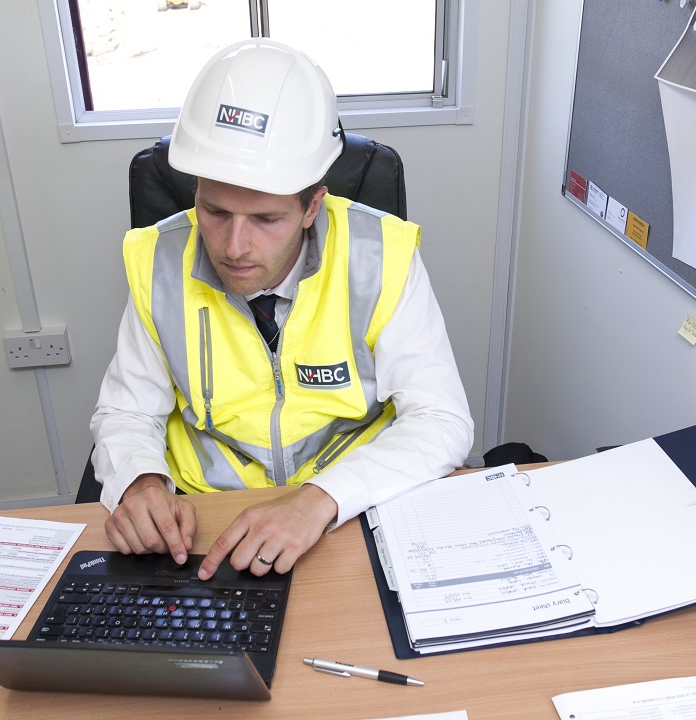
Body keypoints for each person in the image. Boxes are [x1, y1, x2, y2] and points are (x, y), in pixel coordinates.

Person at [89, 38, 473, 581]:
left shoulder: (378, 255)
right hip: (203, 526)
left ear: (312, 205)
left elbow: (441, 420)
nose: (233, 247)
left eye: (266, 219)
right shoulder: (159, 261)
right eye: (215, 212)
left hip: (346, 513)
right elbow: (127, 412)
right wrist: (140, 483)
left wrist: (317, 501)